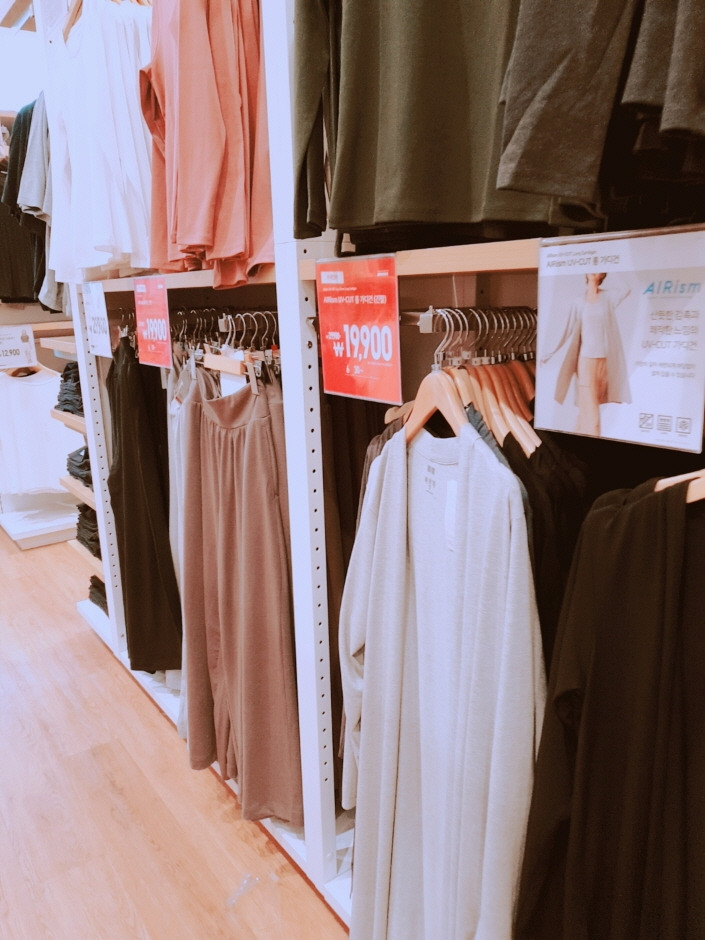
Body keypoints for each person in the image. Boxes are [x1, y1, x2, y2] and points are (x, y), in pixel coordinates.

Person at [541, 272, 631, 436]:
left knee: (586, 410)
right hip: (586, 362)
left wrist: (613, 265)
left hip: (604, 361)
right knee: (591, 411)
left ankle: (578, 440)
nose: (594, 271)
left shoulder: (608, 298)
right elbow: (567, 328)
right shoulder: (579, 302)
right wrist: (549, 353)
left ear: (602, 275)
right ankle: (595, 439)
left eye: (599, 269)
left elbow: (626, 289)